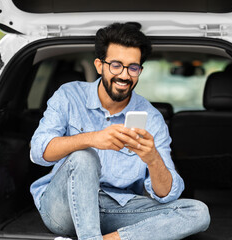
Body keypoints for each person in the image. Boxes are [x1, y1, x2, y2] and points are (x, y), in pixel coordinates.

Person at [30, 22, 210, 240]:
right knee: (84, 156)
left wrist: (153, 159)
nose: (125, 76)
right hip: (64, 207)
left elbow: (167, 194)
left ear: (140, 70)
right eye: (116, 65)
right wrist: (92, 139)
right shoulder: (69, 96)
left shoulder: (152, 118)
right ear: (99, 65)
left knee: (197, 213)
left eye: (133, 68)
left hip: (118, 209)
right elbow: (39, 153)